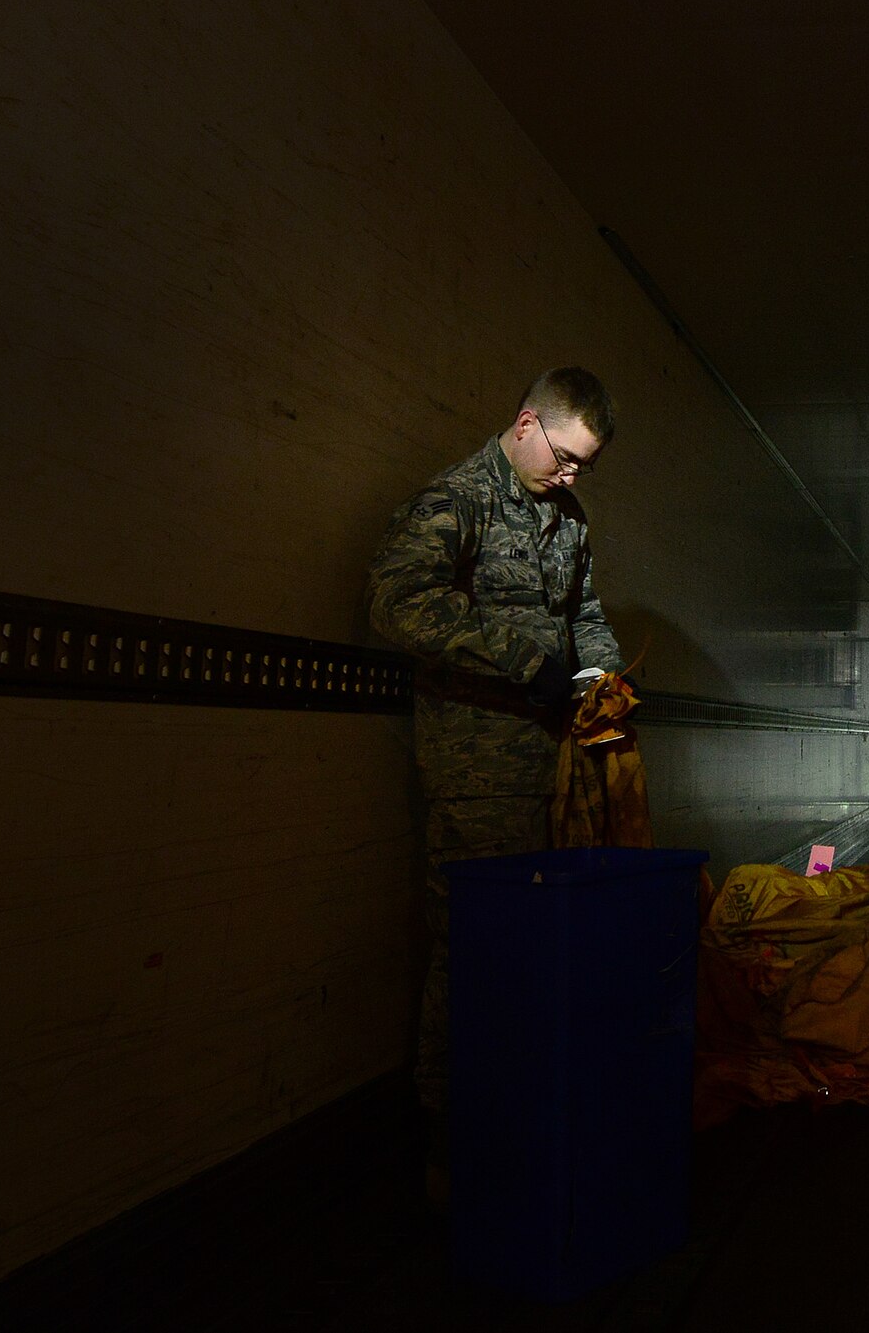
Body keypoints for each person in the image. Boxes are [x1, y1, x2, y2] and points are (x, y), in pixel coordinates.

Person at [367, 366, 626, 1171]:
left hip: (552, 767)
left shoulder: (567, 519)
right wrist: (521, 660)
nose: (572, 474)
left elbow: (584, 613)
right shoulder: (458, 499)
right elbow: (398, 602)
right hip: (476, 768)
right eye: (565, 456)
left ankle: (522, 1117)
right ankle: (453, 1135)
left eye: (584, 464)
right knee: (475, 945)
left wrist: (602, 674)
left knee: (537, 946)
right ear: (524, 423)